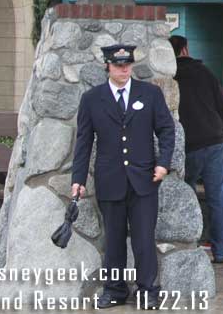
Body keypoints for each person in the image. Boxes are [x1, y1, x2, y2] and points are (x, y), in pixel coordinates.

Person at [71, 45, 175, 309]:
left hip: (144, 181)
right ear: (107, 65)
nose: (124, 69)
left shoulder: (149, 94)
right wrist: (78, 179)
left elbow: (166, 130)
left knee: (143, 240)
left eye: (127, 64)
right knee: (114, 240)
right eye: (118, 65)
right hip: (110, 180)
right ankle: (115, 289)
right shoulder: (92, 99)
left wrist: (163, 164)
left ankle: (148, 291)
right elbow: (83, 142)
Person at [170, 34, 223, 264]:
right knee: (218, 196)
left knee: (186, 194)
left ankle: (189, 243)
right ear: (185, 50)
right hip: (215, 141)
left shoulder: (170, 76)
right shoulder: (205, 73)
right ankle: (222, 250)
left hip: (188, 145)